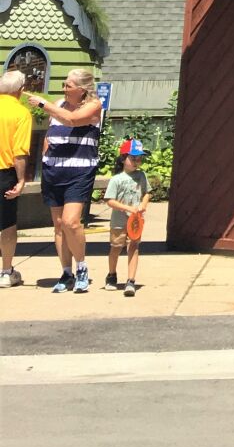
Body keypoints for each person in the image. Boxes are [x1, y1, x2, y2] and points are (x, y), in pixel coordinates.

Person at [26, 68, 103, 293]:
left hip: (79, 171)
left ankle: (81, 267)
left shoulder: (93, 106)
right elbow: (53, 130)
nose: (65, 89)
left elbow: (71, 120)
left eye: (69, 85)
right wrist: (45, 153)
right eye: (64, 84)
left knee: (71, 222)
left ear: (82, 89)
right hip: (54, 170)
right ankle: (66, 272)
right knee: (59, 225)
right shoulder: (59, 104)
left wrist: (42, 103)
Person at [102, 139, 150, 296]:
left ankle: (131, 280)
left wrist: (143, 205)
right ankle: (111, 275)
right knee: (116, 248)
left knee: (134, 247)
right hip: (119, 222)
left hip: (136, 222)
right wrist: (128, 208)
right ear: (123, 158)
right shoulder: (117, 179)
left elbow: (147, 193)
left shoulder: (141, 176)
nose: (137, 162)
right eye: (133, 158)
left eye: (139, 158)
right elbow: (109, 200)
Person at [0, 70, 33, 289]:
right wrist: (21, 180)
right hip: (5, 172)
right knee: (7, 224)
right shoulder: (21, 113)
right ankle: (6, 271)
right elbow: (19, 152)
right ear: (20, 90)